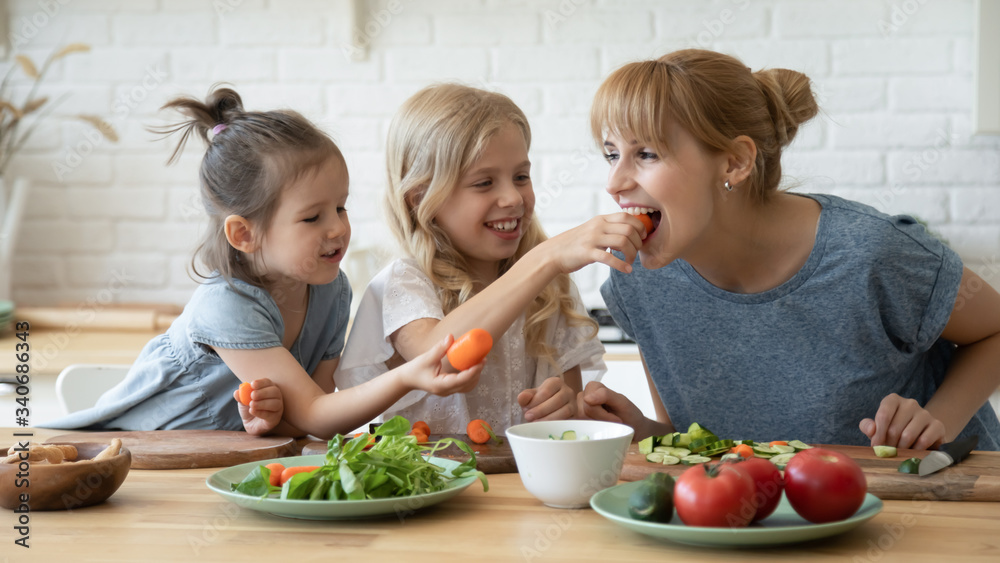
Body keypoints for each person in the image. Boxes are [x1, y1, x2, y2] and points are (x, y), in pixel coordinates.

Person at [577, 49, 1000, 450]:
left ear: (734, 162)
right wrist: (640, 431)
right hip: (767, 521)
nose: (614, 183)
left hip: (937, 502)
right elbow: (694, 439)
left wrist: (938, 419)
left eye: (646, 153)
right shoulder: (640, 279)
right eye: (612, 154)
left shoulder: (869, 254)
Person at [42, 86, 481, 438]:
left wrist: (272, 422)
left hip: (228, 462)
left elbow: (313, 416)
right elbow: (316, 413)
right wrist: (408, 376)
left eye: (341, 208)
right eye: (312, 217)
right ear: (244, 234)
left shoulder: (332, 290)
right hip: (144, 456)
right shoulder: (226, 305)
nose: (338, 229)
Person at [334, 84, 646, 434]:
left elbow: (571, 411)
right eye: (484, 183)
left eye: (521, 177)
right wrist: (544, 258)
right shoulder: (405, 283)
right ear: (421, 198)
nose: (512, 197)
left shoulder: (549, 288)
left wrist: (565, 404)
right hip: (433, 485)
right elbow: (440, 360)